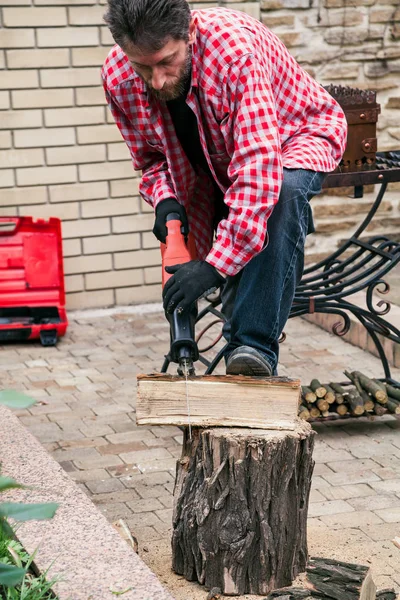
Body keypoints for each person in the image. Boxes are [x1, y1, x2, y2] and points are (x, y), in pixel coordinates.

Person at [102, 0, 347, 376]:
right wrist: (165, 201)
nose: (157, 81)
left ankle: (252, 347)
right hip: (213, 160)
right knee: (235, 232)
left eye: (167, 61)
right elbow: (150, 159)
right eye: (142, 66)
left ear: (191, 33)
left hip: (291, 138)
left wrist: (215, 267)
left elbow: (257, 171)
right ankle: (236, 330)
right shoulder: (118, 76)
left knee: (282, 194)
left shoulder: (233, 54)